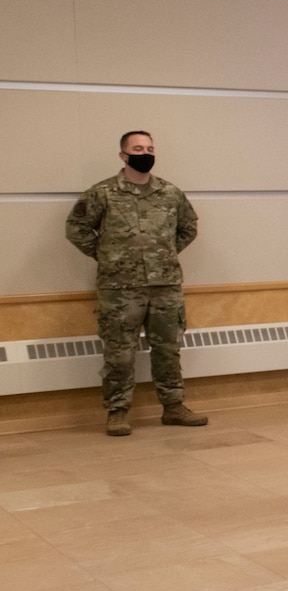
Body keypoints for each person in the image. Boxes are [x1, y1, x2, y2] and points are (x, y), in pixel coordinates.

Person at [66, 130, 207, 435]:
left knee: (168, 349)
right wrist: (109, 257)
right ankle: (117, 412)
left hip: (165, 286)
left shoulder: (170, 193)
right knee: (119, 352)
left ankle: (173, 407)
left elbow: (188, 228)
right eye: (138, 148)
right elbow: (76, 229)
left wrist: (163, 255)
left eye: (150, 147)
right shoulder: (102, 193)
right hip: (119, 289)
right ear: (123, 155)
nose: (145, 152)